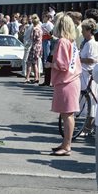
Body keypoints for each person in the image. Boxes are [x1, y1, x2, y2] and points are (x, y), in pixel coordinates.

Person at [47, 13, 81, 156]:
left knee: (67, 115)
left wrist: (50, 64)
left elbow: (62, 65)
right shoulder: (70, 41)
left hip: (66, 81)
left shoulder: (62, 41)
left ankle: (67, 146)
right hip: (72, 80)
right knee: (67, 114)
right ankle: (65, 143)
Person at [79, 18, 98, 131]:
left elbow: (92, 60)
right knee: (88, 101)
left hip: (89, 74)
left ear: (89, 30)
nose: (82, 32)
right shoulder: (87, 43)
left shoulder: (92, 44)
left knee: (90, 100)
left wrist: (79, 59)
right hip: (86, 74)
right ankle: (88, 126)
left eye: (83, 30)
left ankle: (88, 127)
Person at [25, 14, 42, 84]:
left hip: (34, 46)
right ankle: (36, 77)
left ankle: (27, 78)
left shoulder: (35, 29)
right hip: (39, 46)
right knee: (35, 62)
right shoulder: (40, 28)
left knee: (29, 62)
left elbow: (33, 38)